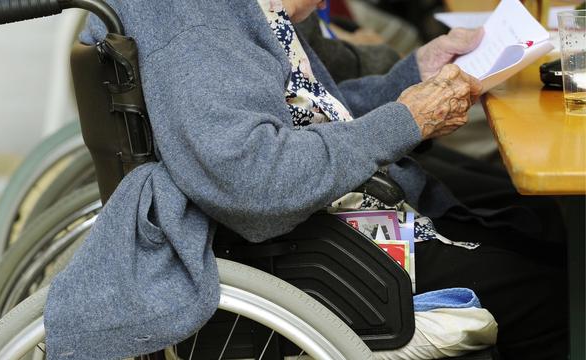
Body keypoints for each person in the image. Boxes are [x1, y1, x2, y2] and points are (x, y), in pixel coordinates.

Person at [46, 1, 567, 359]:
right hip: (325, 251)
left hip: (345, 219)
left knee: (545, 232)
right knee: (555, 291)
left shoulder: (229, 14)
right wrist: (407, 120)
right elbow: (253, 180)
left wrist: (412, 79)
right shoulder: (197, 22)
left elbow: (318, 116)